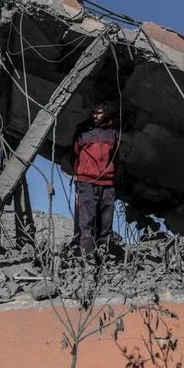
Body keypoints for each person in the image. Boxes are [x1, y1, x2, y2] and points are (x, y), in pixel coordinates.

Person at [72, 102, 119, 254]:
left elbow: (115, 158)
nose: (95, 116)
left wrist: (110, 174)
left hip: (107, 183)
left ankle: (103, 260)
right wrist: (81, 173)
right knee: (87, 223)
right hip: (86, 182)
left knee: (106, 224)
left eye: (98, 113)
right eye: (93, 113)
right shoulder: (82, 131)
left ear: (106, 114)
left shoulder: (112, 133)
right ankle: (88, 259)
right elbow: (74, 156)